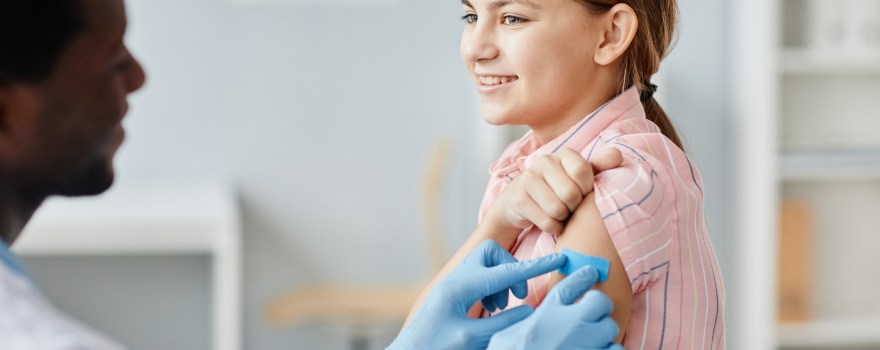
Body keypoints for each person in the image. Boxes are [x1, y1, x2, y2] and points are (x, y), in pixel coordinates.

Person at [0, 0, 623, 349]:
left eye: (512, 17)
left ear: (613, 33)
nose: (138, 78)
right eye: (110, 61)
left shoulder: (629, 174)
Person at [408, 0, 727, 348]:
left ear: (611, 35)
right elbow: (422, 334)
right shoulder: (516, 177)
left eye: (512, 17)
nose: (473, 48)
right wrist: (498, 223)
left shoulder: (616, 180)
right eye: (471, 16)